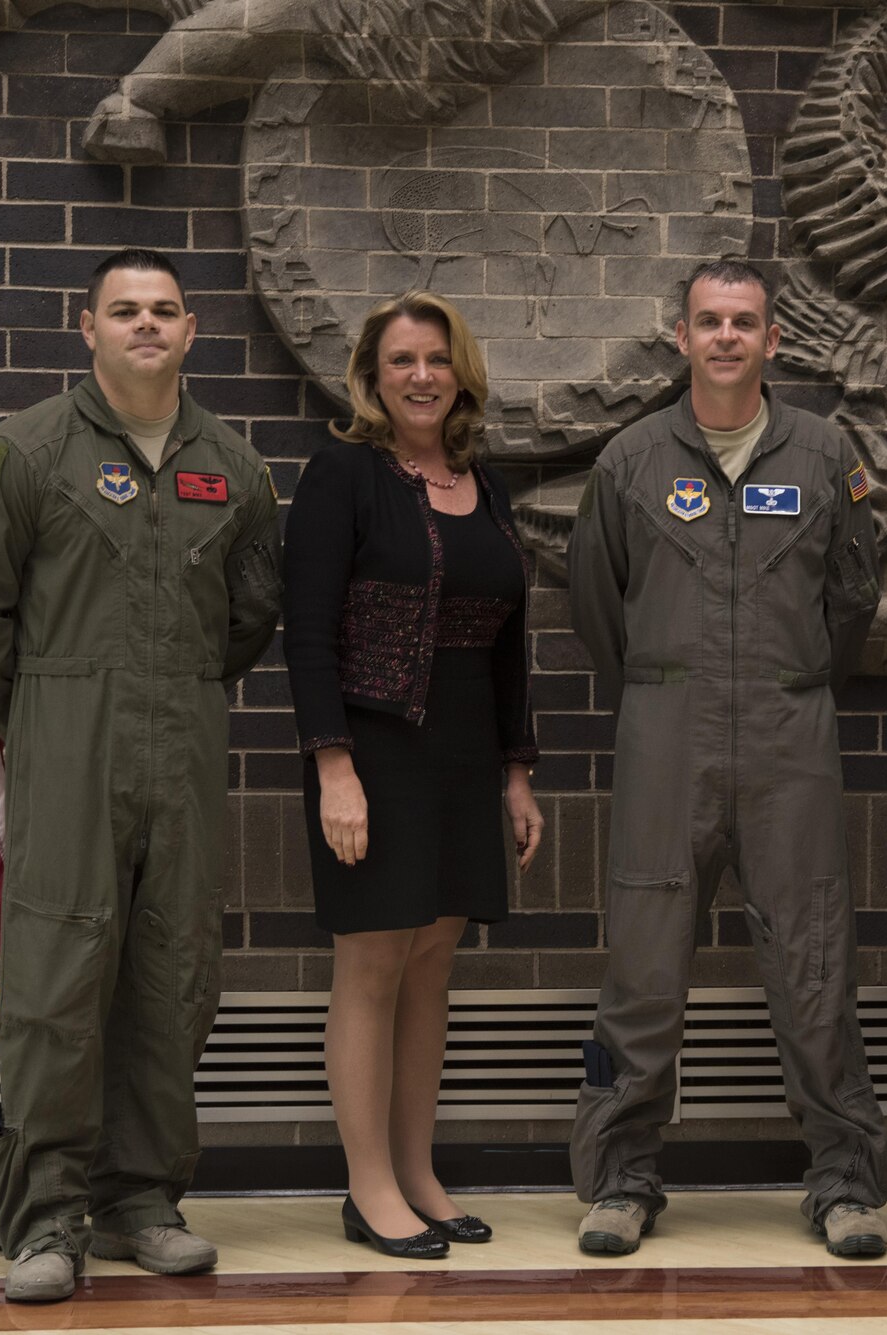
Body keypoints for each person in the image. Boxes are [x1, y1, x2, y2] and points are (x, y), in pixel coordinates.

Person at [0, 248, 282, 1303]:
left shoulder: (239, 466)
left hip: (183, 744)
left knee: (173, 978)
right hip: (66, 745)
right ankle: (43, 1219)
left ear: (190, 328)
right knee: (56, 985)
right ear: (85, 327)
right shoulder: (21, 453)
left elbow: (250, 612)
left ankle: (142, 1202)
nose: (144, 325)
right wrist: (44, 707)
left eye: (162, 310)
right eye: (122, 309)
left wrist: (178, 688)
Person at [566, 259, 887, 1259]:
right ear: (680, 335)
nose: (724, 338)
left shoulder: (827, 451)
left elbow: (852, 599)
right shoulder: (628, 459)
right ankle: (619, 1183)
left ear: (772, 340)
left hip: (789, 734)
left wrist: (789, 682)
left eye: (743, 322)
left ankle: (842, 1185)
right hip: (668, 732)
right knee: (643, 966)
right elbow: (595, 608)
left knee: (812, 960)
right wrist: (671, 689)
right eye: (708, 321)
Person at [281, 292, 544, 1260]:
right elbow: (305, 632)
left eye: (436, 359)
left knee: (434, 960)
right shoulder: (341, 475)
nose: (421, 376)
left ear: (460, 371)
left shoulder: (489, 484)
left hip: (466, 752)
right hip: (375, 746)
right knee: (373, 961)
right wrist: (332, 769)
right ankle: (368, 1187)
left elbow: (512, 645)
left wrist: (516, 773)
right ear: (372, 375)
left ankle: (418, 1170)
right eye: (400, 361)